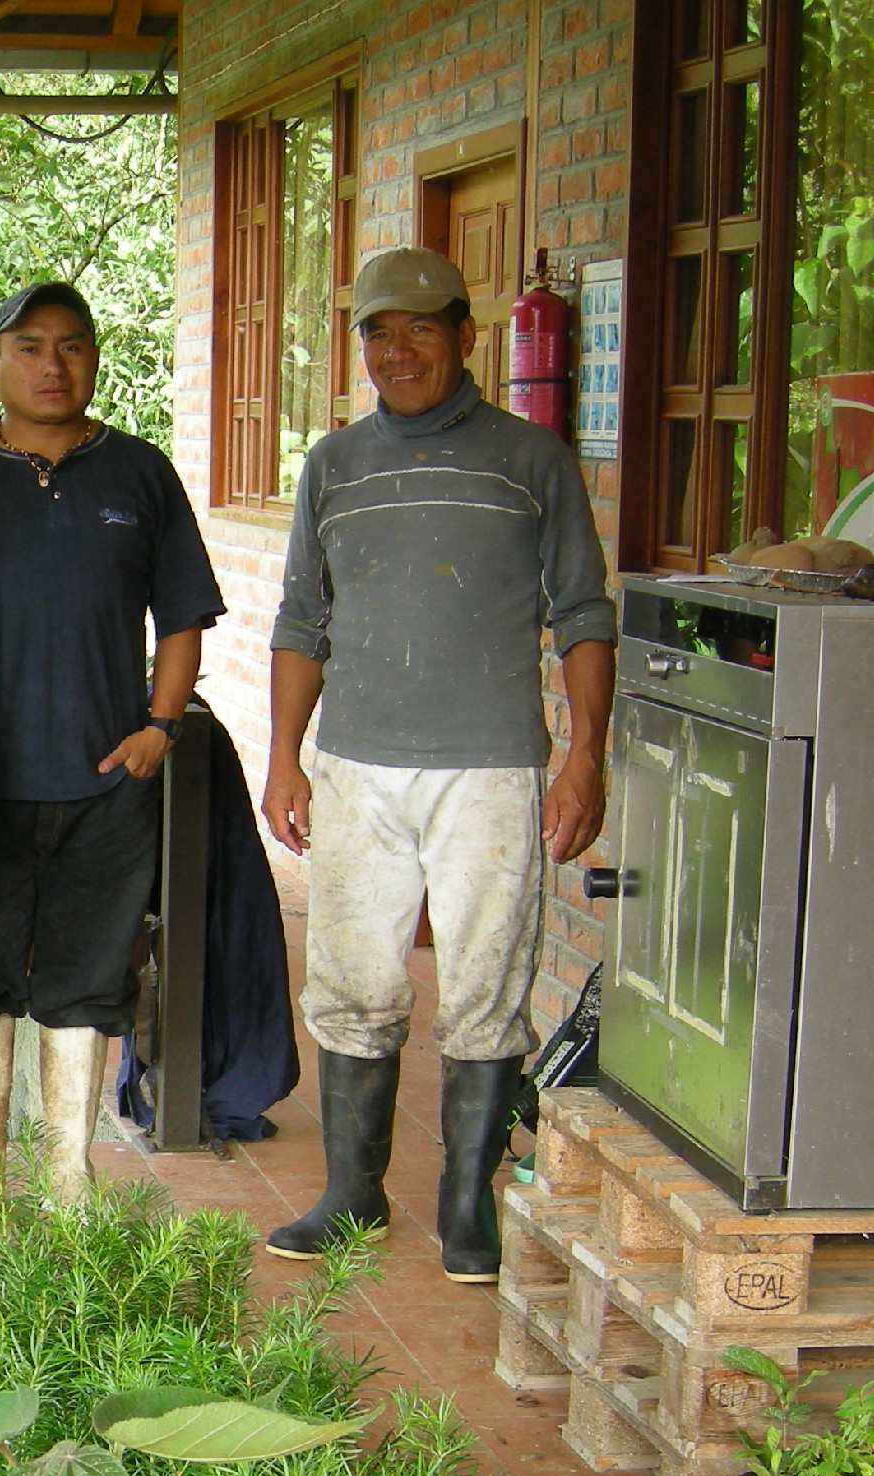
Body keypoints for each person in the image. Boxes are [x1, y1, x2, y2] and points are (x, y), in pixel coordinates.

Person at [258, 246, 615, 1280]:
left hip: (492, 770)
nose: (398, 349)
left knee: (484, 985)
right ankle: (351, 1194)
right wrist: (286, 759)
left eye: (421, 326)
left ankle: (469, 1205)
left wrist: (584, 752)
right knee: (353, 981)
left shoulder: (531, 460)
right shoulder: (333, 466)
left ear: (468, 333)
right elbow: (300, 621)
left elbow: (586, 612)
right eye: (378, 329)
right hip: (359, 768)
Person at [0, 281, 223, 1217]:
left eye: (71, 346)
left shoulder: (138, 474)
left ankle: (68, 1177)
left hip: (107, 784)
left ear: (94, 358)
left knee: (89, 983)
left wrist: (159, 727)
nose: (51, 366)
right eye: (29, 346)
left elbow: (183, 616)